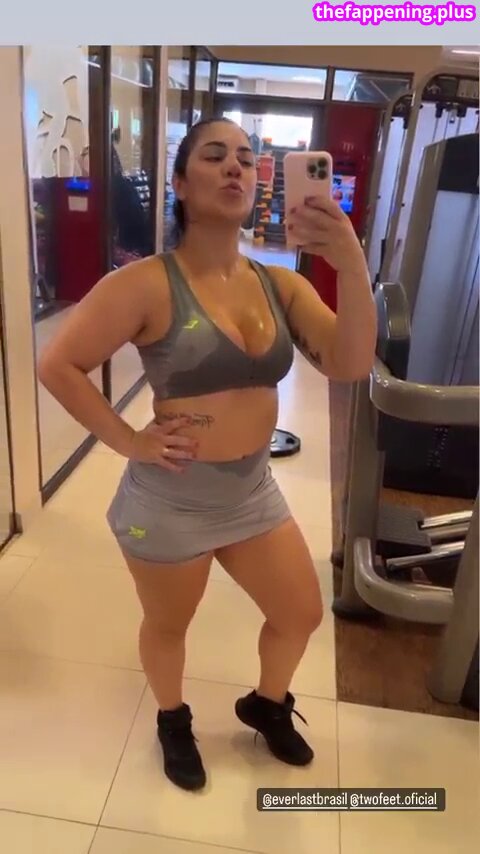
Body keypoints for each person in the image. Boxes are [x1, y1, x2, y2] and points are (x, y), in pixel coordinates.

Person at [38, 117, 377, 793]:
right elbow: (58, 364)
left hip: (251, 493)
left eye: (247, 159)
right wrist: (129, 440)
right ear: (180, 182)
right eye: (215, 156)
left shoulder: (278, 284)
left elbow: (349, 362)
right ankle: (173, 720)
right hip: (171, 501)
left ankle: (267, 705)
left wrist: (352, 265)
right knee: (170, 625)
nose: (235, 167)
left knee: (301, 613)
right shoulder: (146, 283)